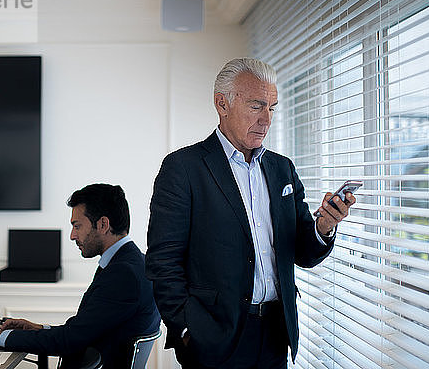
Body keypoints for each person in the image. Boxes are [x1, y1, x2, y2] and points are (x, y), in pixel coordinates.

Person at [145, 58, 356, 368]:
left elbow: (302, 252)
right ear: (222, 104)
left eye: (271, 108)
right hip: (213, 339)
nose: (266, 120)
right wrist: (187, 328)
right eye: (257, 106)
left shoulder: (282, 169)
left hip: (275, 334)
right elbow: (163, 261)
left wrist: (323, 226)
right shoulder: (183, 168)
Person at [0, 184, 161, 369]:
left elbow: (70, 340)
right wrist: (39, 328)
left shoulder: (123, 273)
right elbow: (84, 330)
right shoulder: (135, 262)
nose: (72, 236)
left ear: (102, 224)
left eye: (77, 226)